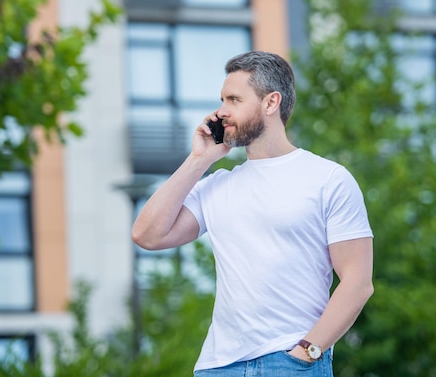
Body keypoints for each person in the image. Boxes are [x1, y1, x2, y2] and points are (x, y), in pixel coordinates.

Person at [131, 50, 374, 377]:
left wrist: (307, 353)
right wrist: (199, 160)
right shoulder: (217, 184)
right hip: (217, 366)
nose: (221, 111)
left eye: (234, 100)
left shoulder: (328, 179)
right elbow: (147, 235)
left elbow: (358, 283)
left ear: (271, 103)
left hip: (290, 362)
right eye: (222, 100)